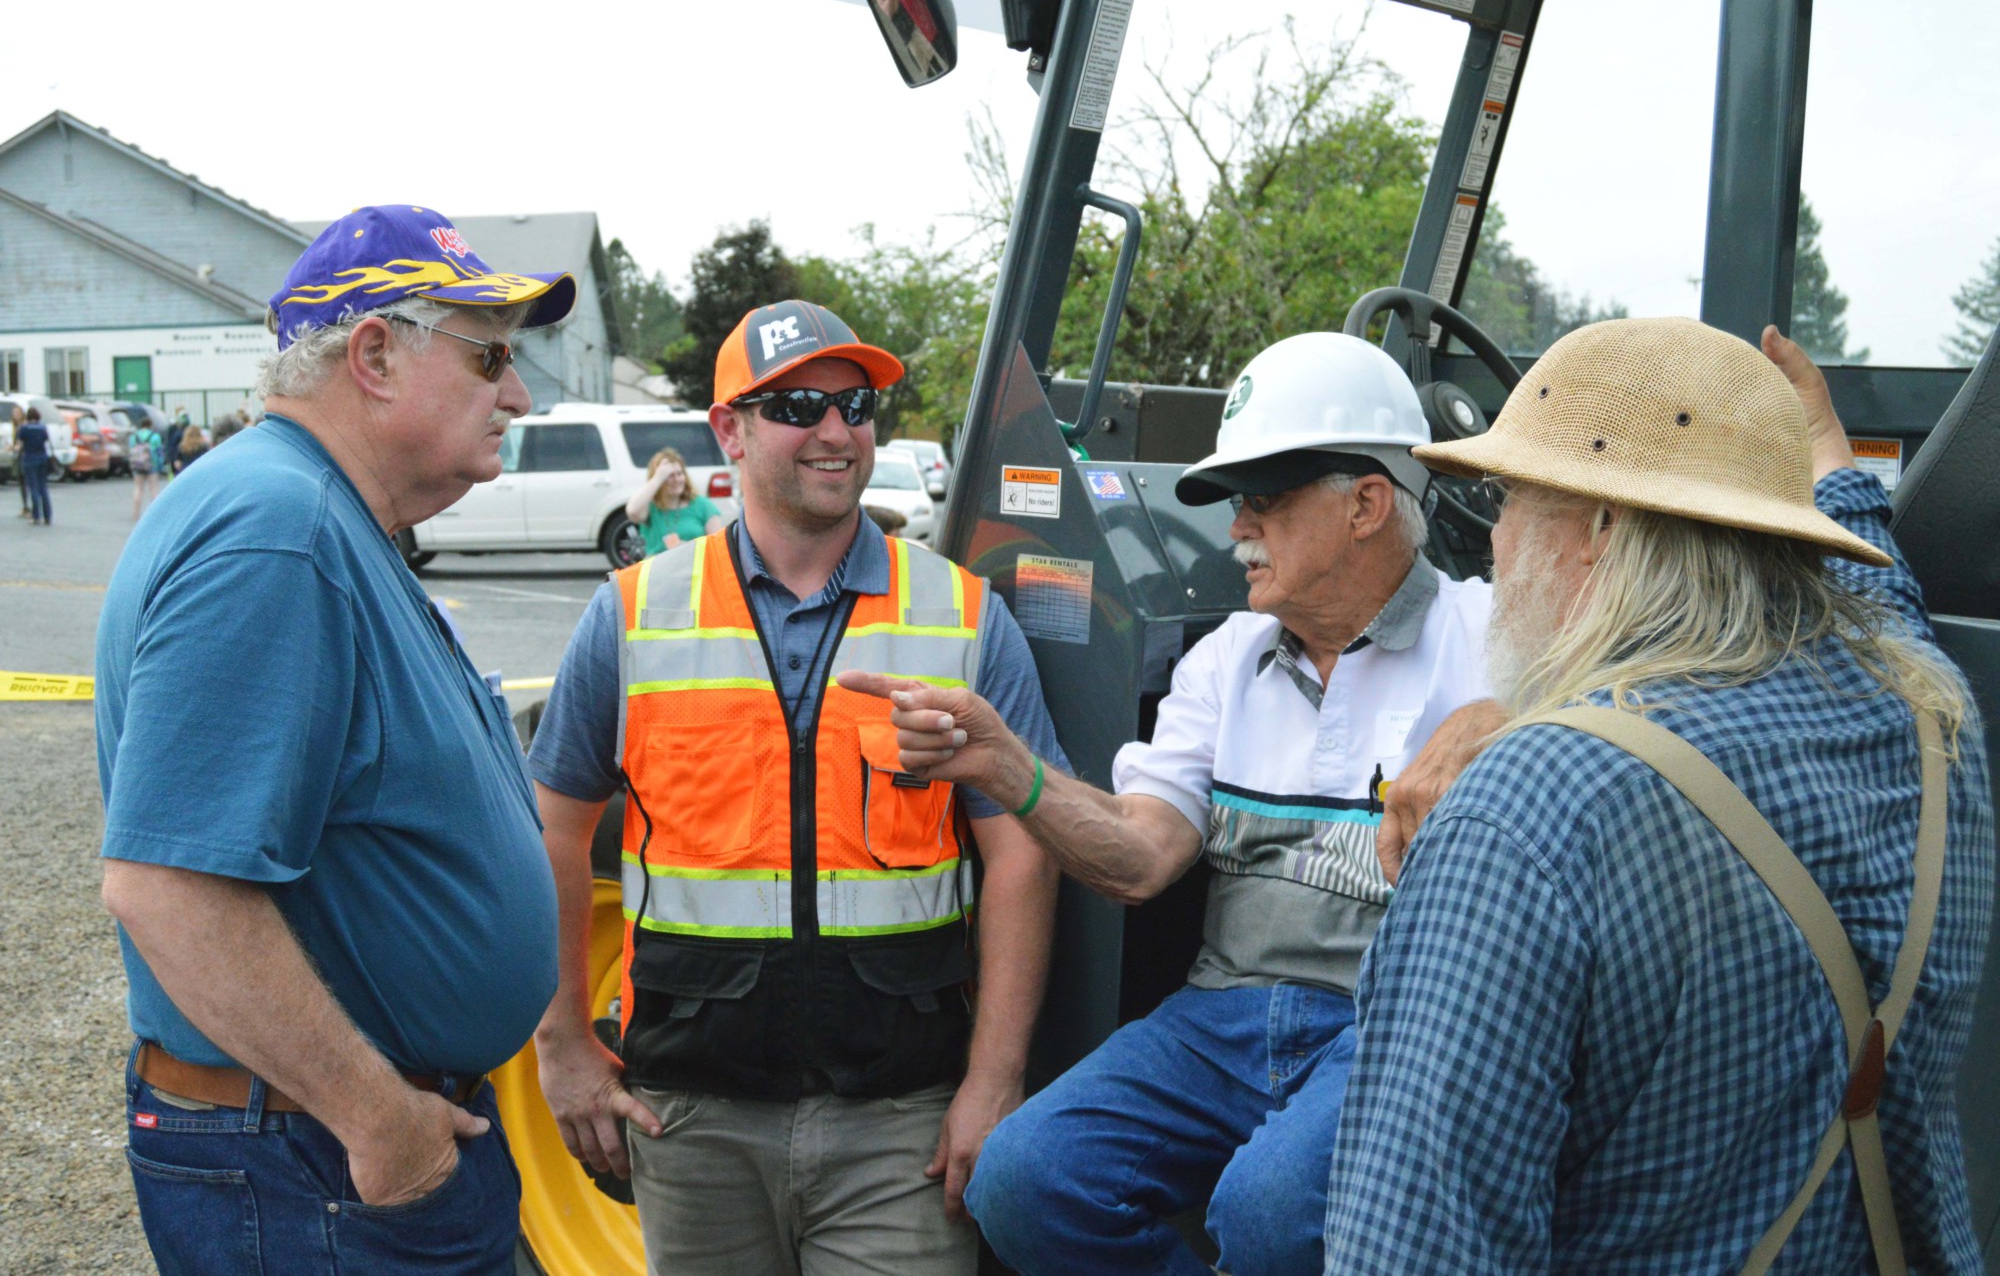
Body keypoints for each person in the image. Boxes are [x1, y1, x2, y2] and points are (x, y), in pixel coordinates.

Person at [1320, 319, 1993, 1273]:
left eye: (1510, 498)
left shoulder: (1528, 813)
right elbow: (1886, 607)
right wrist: (1829, 469)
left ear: (1602, 529)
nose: (1492, 543)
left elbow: (1414, 1251)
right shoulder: (1932, 718)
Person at [848, 332, 1502, 1276]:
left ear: (1366, 503)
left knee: (1269, 1211)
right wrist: (1005, 767)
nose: (1237, 529)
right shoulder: (1225, 658)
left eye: (1263, 502)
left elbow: (1647, 690)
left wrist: (1506, 716)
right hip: (1224, 1015)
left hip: (1394, 1018)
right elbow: (1139, 857)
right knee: (1025, 1180)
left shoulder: (1490, 638)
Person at [529, 299, 1065, 1275]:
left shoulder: (961, 616)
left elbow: (1023, 851)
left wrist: (994, 1079)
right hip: (690, 1118)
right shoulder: (633, 617)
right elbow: (553, 833)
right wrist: (560, 1040)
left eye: (855, 405)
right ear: (726, 430)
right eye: (796, 406)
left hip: (901, 1123)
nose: (835, 430)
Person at [96, 204, 580, 1275]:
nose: (516, 393)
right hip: (319, 1161)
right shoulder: (280, 532)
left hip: (332, 1148)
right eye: (491, 355)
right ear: (372, 356)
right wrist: (377, 1122)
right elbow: (168, 885)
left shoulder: (322, 519)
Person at [624, 444, 722, 555]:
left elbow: (717, 547)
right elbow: (632, 510)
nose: (676, 479)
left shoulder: (703, 506)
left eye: (679, 474)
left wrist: (689, 547)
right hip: (658, 570)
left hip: (693, 569)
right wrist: (658, 477)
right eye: (669, 475)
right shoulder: (650, 508)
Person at [13, 403, 53, 526]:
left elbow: (19, 445)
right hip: (43, 458)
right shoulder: (42, 427)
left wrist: (13, 448)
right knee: (43, 488)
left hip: (29, 459)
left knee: (33, 489)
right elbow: (46, 441)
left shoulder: (24, 429)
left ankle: (36, 517)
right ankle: (48, 516)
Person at [129, 422, 164, 519]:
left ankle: (136, 513)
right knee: (153, 489)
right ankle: (156, 514)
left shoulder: (134, 437)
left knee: (138, 488)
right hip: (151, 464)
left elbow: (131, 449)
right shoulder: (155, 436)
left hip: (137, 465)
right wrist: (160, 465)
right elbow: (159, 452)